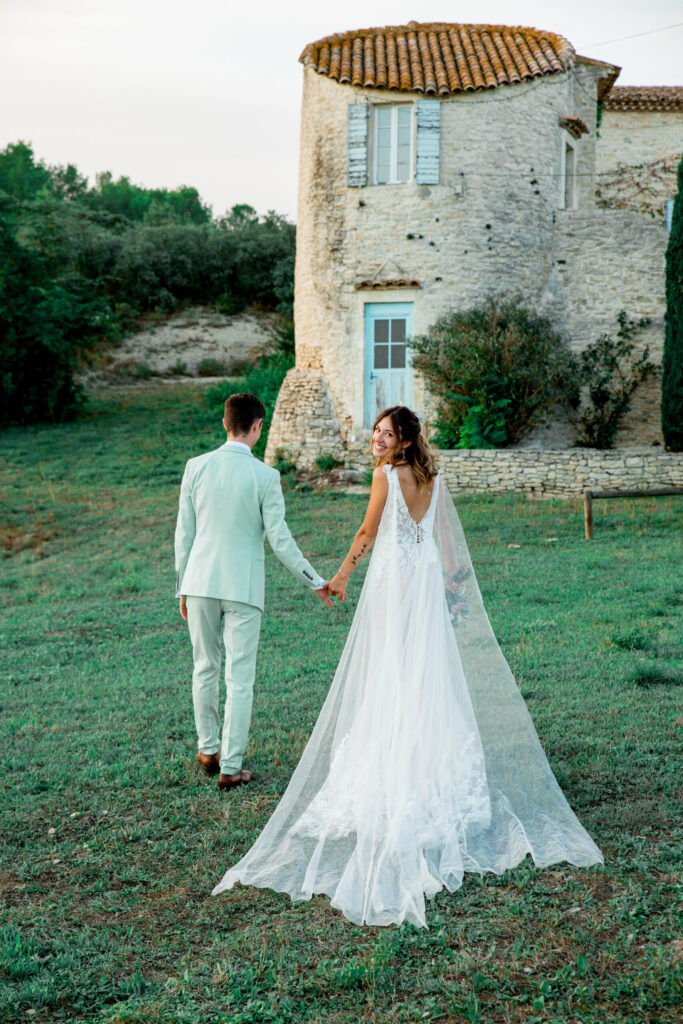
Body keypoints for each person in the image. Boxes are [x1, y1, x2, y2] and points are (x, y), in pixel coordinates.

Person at [212, 405, 604, 926]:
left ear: (403, 441)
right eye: (375, 431)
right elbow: (444, 541)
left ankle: (395, 773)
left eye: (386, 433)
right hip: (422, 583)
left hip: (393, 584)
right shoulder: (431, 478)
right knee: (427, 673)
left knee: (389, 672)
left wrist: (342, 577)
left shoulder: (386, 476)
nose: (377, 439)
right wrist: (451, 586)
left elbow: (367, 534)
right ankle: (433, 769)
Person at [175, 392, 332, 792]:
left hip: (199, 584)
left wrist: (182, 586)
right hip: (243, 588)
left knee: (203, 668)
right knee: (239, 679)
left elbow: (185, 535)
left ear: (225, 423)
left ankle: (207, 750)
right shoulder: (265, 476)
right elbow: (280, 541)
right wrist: (315, 580)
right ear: (258, 427)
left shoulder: (195, 467)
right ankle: (230, 766)